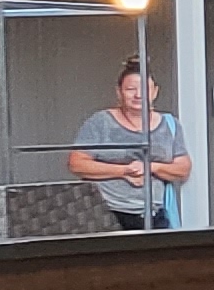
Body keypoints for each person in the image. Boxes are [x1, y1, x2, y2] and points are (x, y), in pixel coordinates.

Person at [69, 61, 191, 228]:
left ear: (155, 92)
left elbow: (183, 169)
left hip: (154, 215)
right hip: (106, 214)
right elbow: (76, 164)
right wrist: (124, 171)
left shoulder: (170, 124)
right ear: (119, 92)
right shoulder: (101, 122)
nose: (138, 95)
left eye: (145, 89)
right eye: (130, 89)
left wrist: (149, 167)